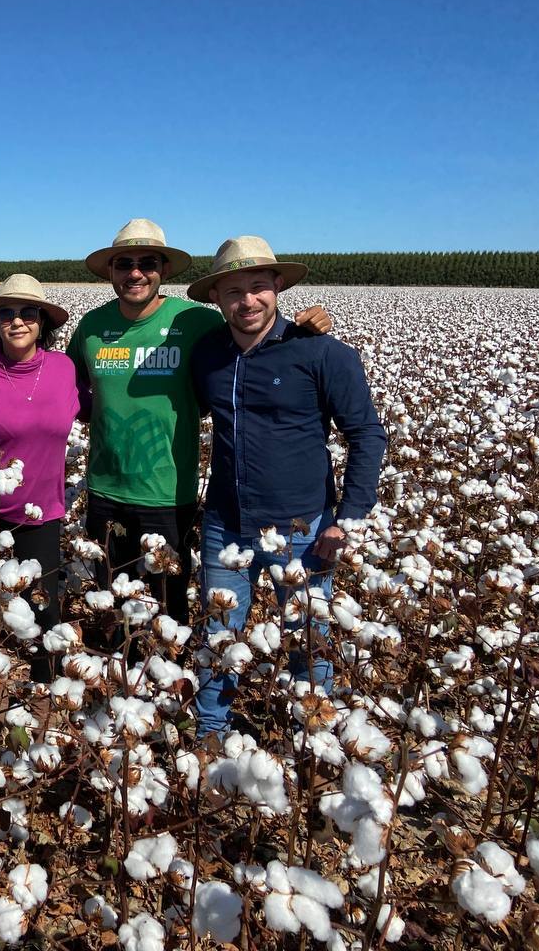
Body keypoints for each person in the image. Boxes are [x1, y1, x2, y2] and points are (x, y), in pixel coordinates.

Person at [67, 218, 331, 632]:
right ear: (111, 271)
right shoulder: (91, 328)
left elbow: (256, 340)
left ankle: (164, 681)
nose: (135, 272)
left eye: (147, 262)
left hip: (169, 492)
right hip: (104, 488)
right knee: (112, 598)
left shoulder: (197, 321)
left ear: (164, 269)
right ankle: (121, 677)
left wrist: (304, 329)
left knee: (167, 605)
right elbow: (71, 390)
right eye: (124, 263)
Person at [188, 236, 387, 736]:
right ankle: (211, 734)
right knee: (219, 634)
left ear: (278, 286)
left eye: (258, 287)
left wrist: (347, 519)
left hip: (303, 525)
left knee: (309, 635)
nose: (247, 300)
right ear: (217, 299)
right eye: (234, 291)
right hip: (225, 521)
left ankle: (314, 737)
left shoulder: (320, 351)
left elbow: (365, 434)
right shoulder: (207, 355)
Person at [0, 274, 80, 671]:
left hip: (43, 514)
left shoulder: (65, 368)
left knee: (43, 612)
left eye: (28, 313)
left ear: (44, 322)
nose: (17, 321)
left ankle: (44, 697)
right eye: (7, 313)